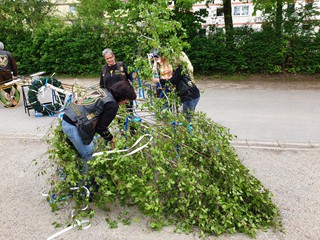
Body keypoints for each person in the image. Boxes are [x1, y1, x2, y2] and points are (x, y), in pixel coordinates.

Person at [61, 80, 137, 171]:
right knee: (89, 155)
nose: (127, 102)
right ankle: (86, 183)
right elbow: (101, 128)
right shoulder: (112, 105)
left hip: (68, 116)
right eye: (127, 99)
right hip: (73, 125)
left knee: (89, 147)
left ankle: (75, 170)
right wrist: (111, 139)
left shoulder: (103, 90)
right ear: (122, 96)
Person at [152, 55, 200, 121]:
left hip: (189, 95)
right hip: (193, 94)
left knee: (187, 119)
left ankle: (188, 130)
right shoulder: (184, 67)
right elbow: (176, 80)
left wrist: (158, 80)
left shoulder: (181, 68)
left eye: (175, 59)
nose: (173, 60)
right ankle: (189, 129)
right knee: (188, 117)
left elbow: (172, 81)